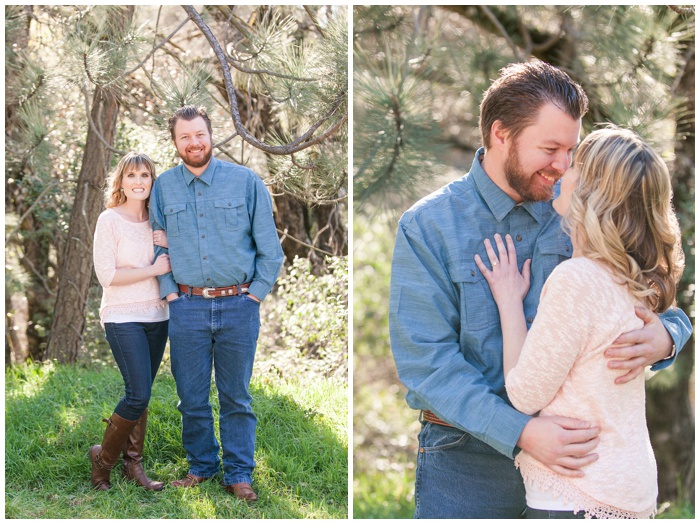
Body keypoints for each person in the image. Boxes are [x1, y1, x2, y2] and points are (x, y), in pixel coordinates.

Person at [388, 61, 692, 518]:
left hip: (578, 464)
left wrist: (668, 335)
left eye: (571, 151)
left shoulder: (583, 210)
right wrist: (523, 431)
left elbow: (649, 285)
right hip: (466, 456)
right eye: (550, 148)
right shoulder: (428, 226)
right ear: (501, 134)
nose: (562, 166)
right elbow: (426, 364)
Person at [475, 127, 686, 518]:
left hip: (576, 493)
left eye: (577, 164)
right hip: (627, 486)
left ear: (592, 191)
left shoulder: (578, 279)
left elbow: (524, 394)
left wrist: (508, 302)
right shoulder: (637, 280)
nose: (563, 170)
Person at [149, 105, 284, 501]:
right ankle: (202, 467)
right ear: (175, 143)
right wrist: (170, 292)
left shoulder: (245, 183)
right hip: (186, 305)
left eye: (200, 134)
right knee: (190, 396)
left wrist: (254, 294)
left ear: (212, 135)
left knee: (236, 396)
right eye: (185, 137)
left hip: (238, 305)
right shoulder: (163, 188)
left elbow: (270, 251)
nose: (194, 143)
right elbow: (156, 247)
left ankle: (239, 473)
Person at [90, 152, 171, 491]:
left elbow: (176, 262)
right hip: (122, 316)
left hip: (158, 315)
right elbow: (107, 276)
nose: (139, 181)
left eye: (145, 176)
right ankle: (102, 461)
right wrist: (152, 270)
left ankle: (132, 466)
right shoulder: (109, 220)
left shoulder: (159, 221)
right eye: (132, 175)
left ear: (153, 181)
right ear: (121, 181)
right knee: (137, 393)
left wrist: (168, 247)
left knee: (144, 394)